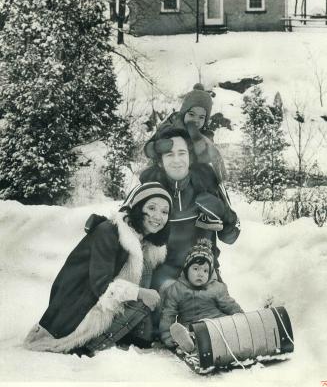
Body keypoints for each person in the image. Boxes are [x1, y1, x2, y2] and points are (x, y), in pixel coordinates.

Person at [24, 182, 172, 356]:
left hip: (101, 301)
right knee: (143, 301)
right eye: (152, 208)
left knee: (147, 269)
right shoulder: (108, 231)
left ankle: (132, 335)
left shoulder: (143, 240)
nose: (158, 216)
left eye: (164, 212)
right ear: (138, 208)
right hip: (76, 311)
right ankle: (84, 347)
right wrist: (140, 293)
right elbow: (100, 285)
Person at [140, 127, 240, 292]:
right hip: (164, 276)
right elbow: (127, 230)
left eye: (182, 153)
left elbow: (231, 236)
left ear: (190, 157)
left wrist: (222, 212)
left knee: (223, 315)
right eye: (169, 155)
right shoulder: (149, 189)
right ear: (160, 161)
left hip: (204, 272)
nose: (177, 160)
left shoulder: (208, 183)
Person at [159, 239, 243, 352]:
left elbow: (229, 305)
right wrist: (167, 336)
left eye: (205, 271)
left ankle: (232, 337)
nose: (200, 274)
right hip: (192, 326)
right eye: (195, 269)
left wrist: (241, 317)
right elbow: (168, 314)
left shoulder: (216, 287)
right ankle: (187, 343)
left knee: (226, 326)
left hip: (216, 323)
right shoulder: (176, 289)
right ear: (186, 269)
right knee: (190, 333)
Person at [144, 83, 227, 183]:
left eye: (201, 117)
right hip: (165, 173)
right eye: (192, 114)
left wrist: (198, 144)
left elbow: (210, 157)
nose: (196, 120)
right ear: (184, 113)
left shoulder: (206, 135)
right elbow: (147, 149)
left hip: (191, 180)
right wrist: (156, 147)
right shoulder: (168, 128)